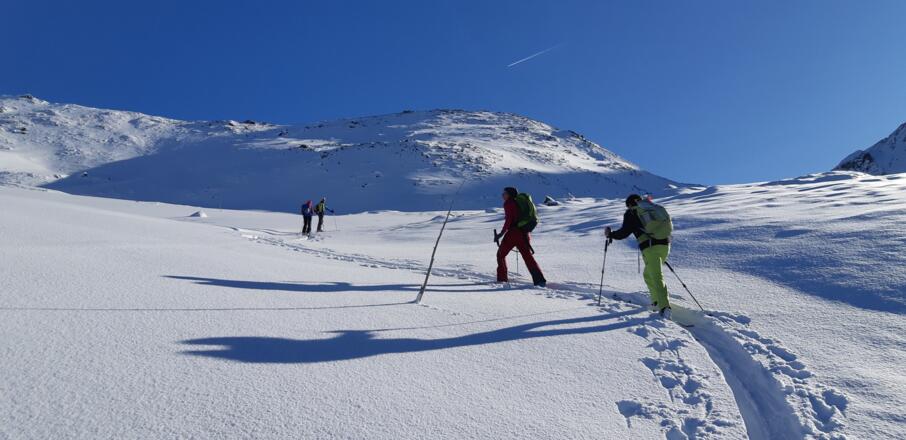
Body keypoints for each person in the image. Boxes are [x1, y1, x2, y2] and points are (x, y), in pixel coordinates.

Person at [606, 194, 671, 317]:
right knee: (648, 275)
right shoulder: (651, 209)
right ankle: (656, 302)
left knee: (656, 276)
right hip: (665, 245)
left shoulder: (632, 213)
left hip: (650, 247)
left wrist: (611, 235)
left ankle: (665, 307)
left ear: (630, 205)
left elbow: (624, 232)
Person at [494, 187, 546, 287]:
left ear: (509, 194)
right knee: (528, 257)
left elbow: (508, 220)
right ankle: (539, 280)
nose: (502, 195)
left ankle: (502, 279)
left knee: (500, 255)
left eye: (505, 193)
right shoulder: (519, 203)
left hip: (514, 233)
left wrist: (501, 234)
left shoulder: (509, 203)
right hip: (524, 233)